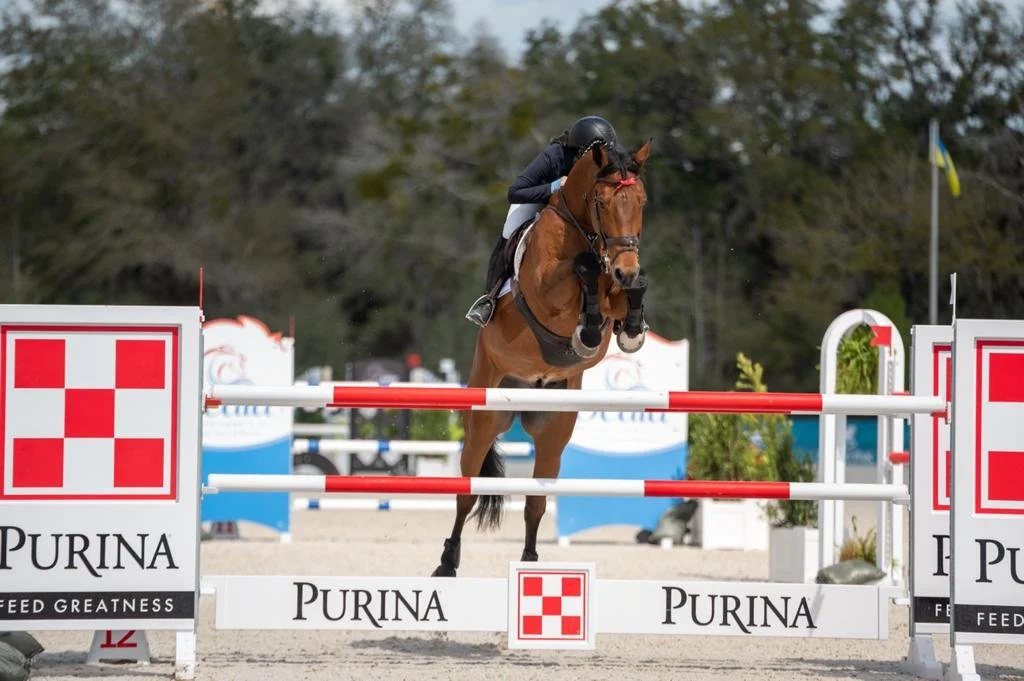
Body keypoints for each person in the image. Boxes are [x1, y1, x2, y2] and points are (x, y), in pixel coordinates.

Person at [465, 115, 618, 327]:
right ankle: (490, 298)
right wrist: (554, 186)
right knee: (510, 231)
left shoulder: (608, 163)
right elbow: (515, 192)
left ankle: (622, 298)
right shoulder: (555, 155)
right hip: (541, 201)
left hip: (580, 213)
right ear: (579, 151)